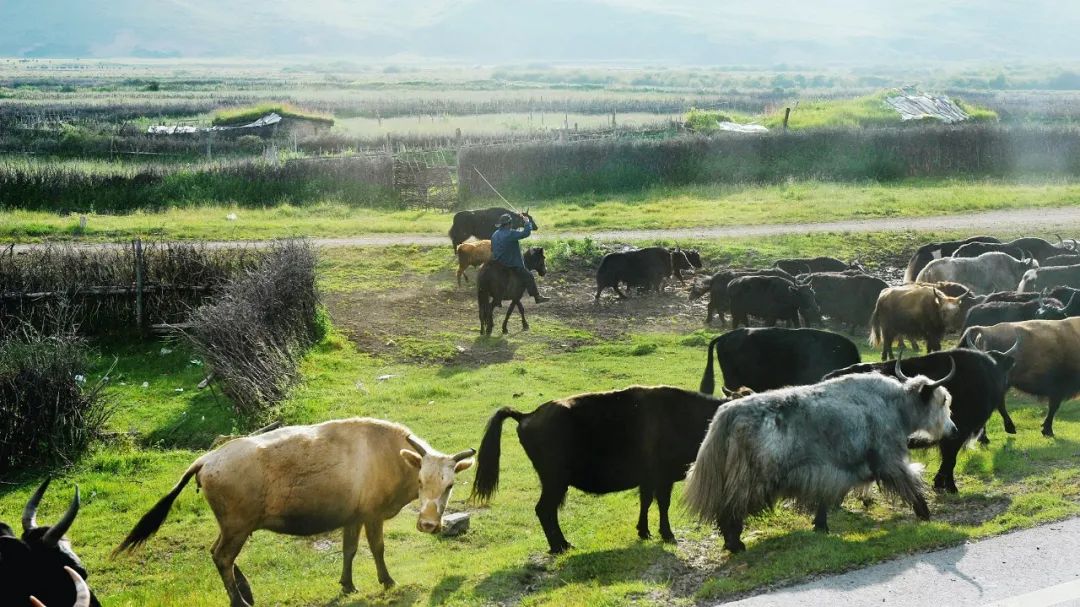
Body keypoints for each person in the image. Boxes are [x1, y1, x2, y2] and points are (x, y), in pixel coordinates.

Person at [491, 212, 550, 303]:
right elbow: (526, 233)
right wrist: (527, 222)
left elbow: (492, 249)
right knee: (529, 276)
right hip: (511, 264)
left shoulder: (494, 234)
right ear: (509, 224)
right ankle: (537, 297)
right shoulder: (510, 233)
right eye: (510, 223)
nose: (511, 225)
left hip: (497, 263)